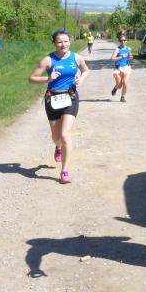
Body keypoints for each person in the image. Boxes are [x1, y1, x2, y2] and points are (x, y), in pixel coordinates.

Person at [28, 30, 90, 184]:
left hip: (70, 97)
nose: (63, 44)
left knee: (64, 135)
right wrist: (48, 78)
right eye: (60, 42)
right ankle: (58, 147)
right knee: (56, 137)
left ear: (70, 41)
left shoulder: (76, 57)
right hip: (53, 99)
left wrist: (82, 79)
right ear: (54, 43)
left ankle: (64, 171)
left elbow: (86, 70)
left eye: (66, 41)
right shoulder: (48, 60)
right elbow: (32, 79)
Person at [111, 34, 133, 102]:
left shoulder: (128, 49)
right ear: (119, 41)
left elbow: (131, 56)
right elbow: (112, 59)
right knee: (119, 85)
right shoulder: (117, 49)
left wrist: (130, 57)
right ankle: (115, 88)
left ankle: (122, 97)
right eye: (121, 40)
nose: (122, 41)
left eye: (124, 40)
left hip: (126, 68)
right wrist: (121, 57)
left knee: (125, 83)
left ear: (126, 41)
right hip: (118, 68)